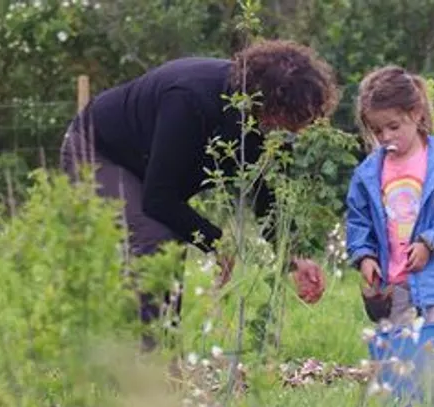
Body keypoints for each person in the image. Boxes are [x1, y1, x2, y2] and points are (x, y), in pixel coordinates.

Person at [58, 39, 340, 351]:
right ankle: (151, 368)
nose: (291, 131)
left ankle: (159, 360)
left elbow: (262, 191)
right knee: (158, 236)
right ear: (269, 101)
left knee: (168, 235)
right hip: (96, 150)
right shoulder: (190, 99)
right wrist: (218, 244)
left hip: (146, 166)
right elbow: (160, 198)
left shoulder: (263, 126)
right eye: (289, 120)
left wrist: (294, 255)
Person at [343, 65, 434, 363]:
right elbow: (358, 219)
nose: (385, 137)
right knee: (400, 360)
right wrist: (364, 255)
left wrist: (430, 241)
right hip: (393, 284)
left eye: (393, 127)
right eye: (377, 131)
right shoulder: (368, 173)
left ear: (416, 114)